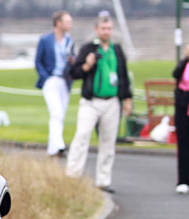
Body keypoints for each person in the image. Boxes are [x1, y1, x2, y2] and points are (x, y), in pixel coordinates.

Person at [65, 13, 133, 192]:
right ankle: (72, 175)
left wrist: (127, 99)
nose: (106, 32)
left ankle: (103, 180)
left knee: (108, 142)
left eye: (109, 28)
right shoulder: (89, 48)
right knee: (82, 136)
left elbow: (123, 75)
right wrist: (87, 64)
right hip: (91, 101)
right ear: (96, 30)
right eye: (103, 28)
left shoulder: (116, 50)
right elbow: (75, 72)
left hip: (112, 101)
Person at [34, 10, 75, 157]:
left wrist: (72, 62)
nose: (70, 24)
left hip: (65, 81)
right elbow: (38, 61)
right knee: (56, 112)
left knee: (60, 114)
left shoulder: (69, 41)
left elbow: (72, 58)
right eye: (67, 21)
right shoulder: (45, 40)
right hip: (51, 79)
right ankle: (59, 145)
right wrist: (46, 77)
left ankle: (53, 149)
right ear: (58, 23)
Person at [173, 45, 189, 194]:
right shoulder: (184, 64)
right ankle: (183, 180)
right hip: (183, 107)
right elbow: (175, 74)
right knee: (183, 143)